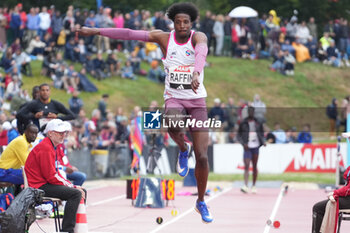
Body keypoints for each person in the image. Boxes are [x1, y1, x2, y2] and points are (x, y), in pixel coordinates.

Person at [78, 2, 213, 223]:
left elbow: (202, 51)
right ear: (173, 23)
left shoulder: (199, 37)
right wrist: (96, 31)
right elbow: (130, 33)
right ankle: (182, 147)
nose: (181, 25)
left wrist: (197, 72)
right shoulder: (163, 38)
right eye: (178, 21)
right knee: (171, 121)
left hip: (197, 100)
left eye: (185, 22)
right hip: (175, 97)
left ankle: (200, 201)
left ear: (191, 23)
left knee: (203, 157)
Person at [25, 119, 85, 233]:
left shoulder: (51, 146)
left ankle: (79, 227)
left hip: (42, 184)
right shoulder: (46, 148)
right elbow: (51, 176)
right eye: (60, 132)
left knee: (80, 191)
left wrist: (71, 185)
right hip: (38, 187)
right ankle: (67, 230)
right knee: (76, 193)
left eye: (64, 133)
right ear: (50, 133)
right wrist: (72, 186)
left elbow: (54, 173)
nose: (63, 135)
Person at [237, 106, 265, 194]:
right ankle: (245, 185)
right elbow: (238, 135)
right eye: (249, 111)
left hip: (256, 146)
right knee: (246, 166)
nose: (251, 113)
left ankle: (253, 185)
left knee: (255, 166)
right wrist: (243, 144)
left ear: (254, 112)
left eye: (252, 111)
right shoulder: (243, 122)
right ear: (247, 112)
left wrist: (262, 142)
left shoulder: (258, 122)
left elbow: (261, 133)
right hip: (247, 147)